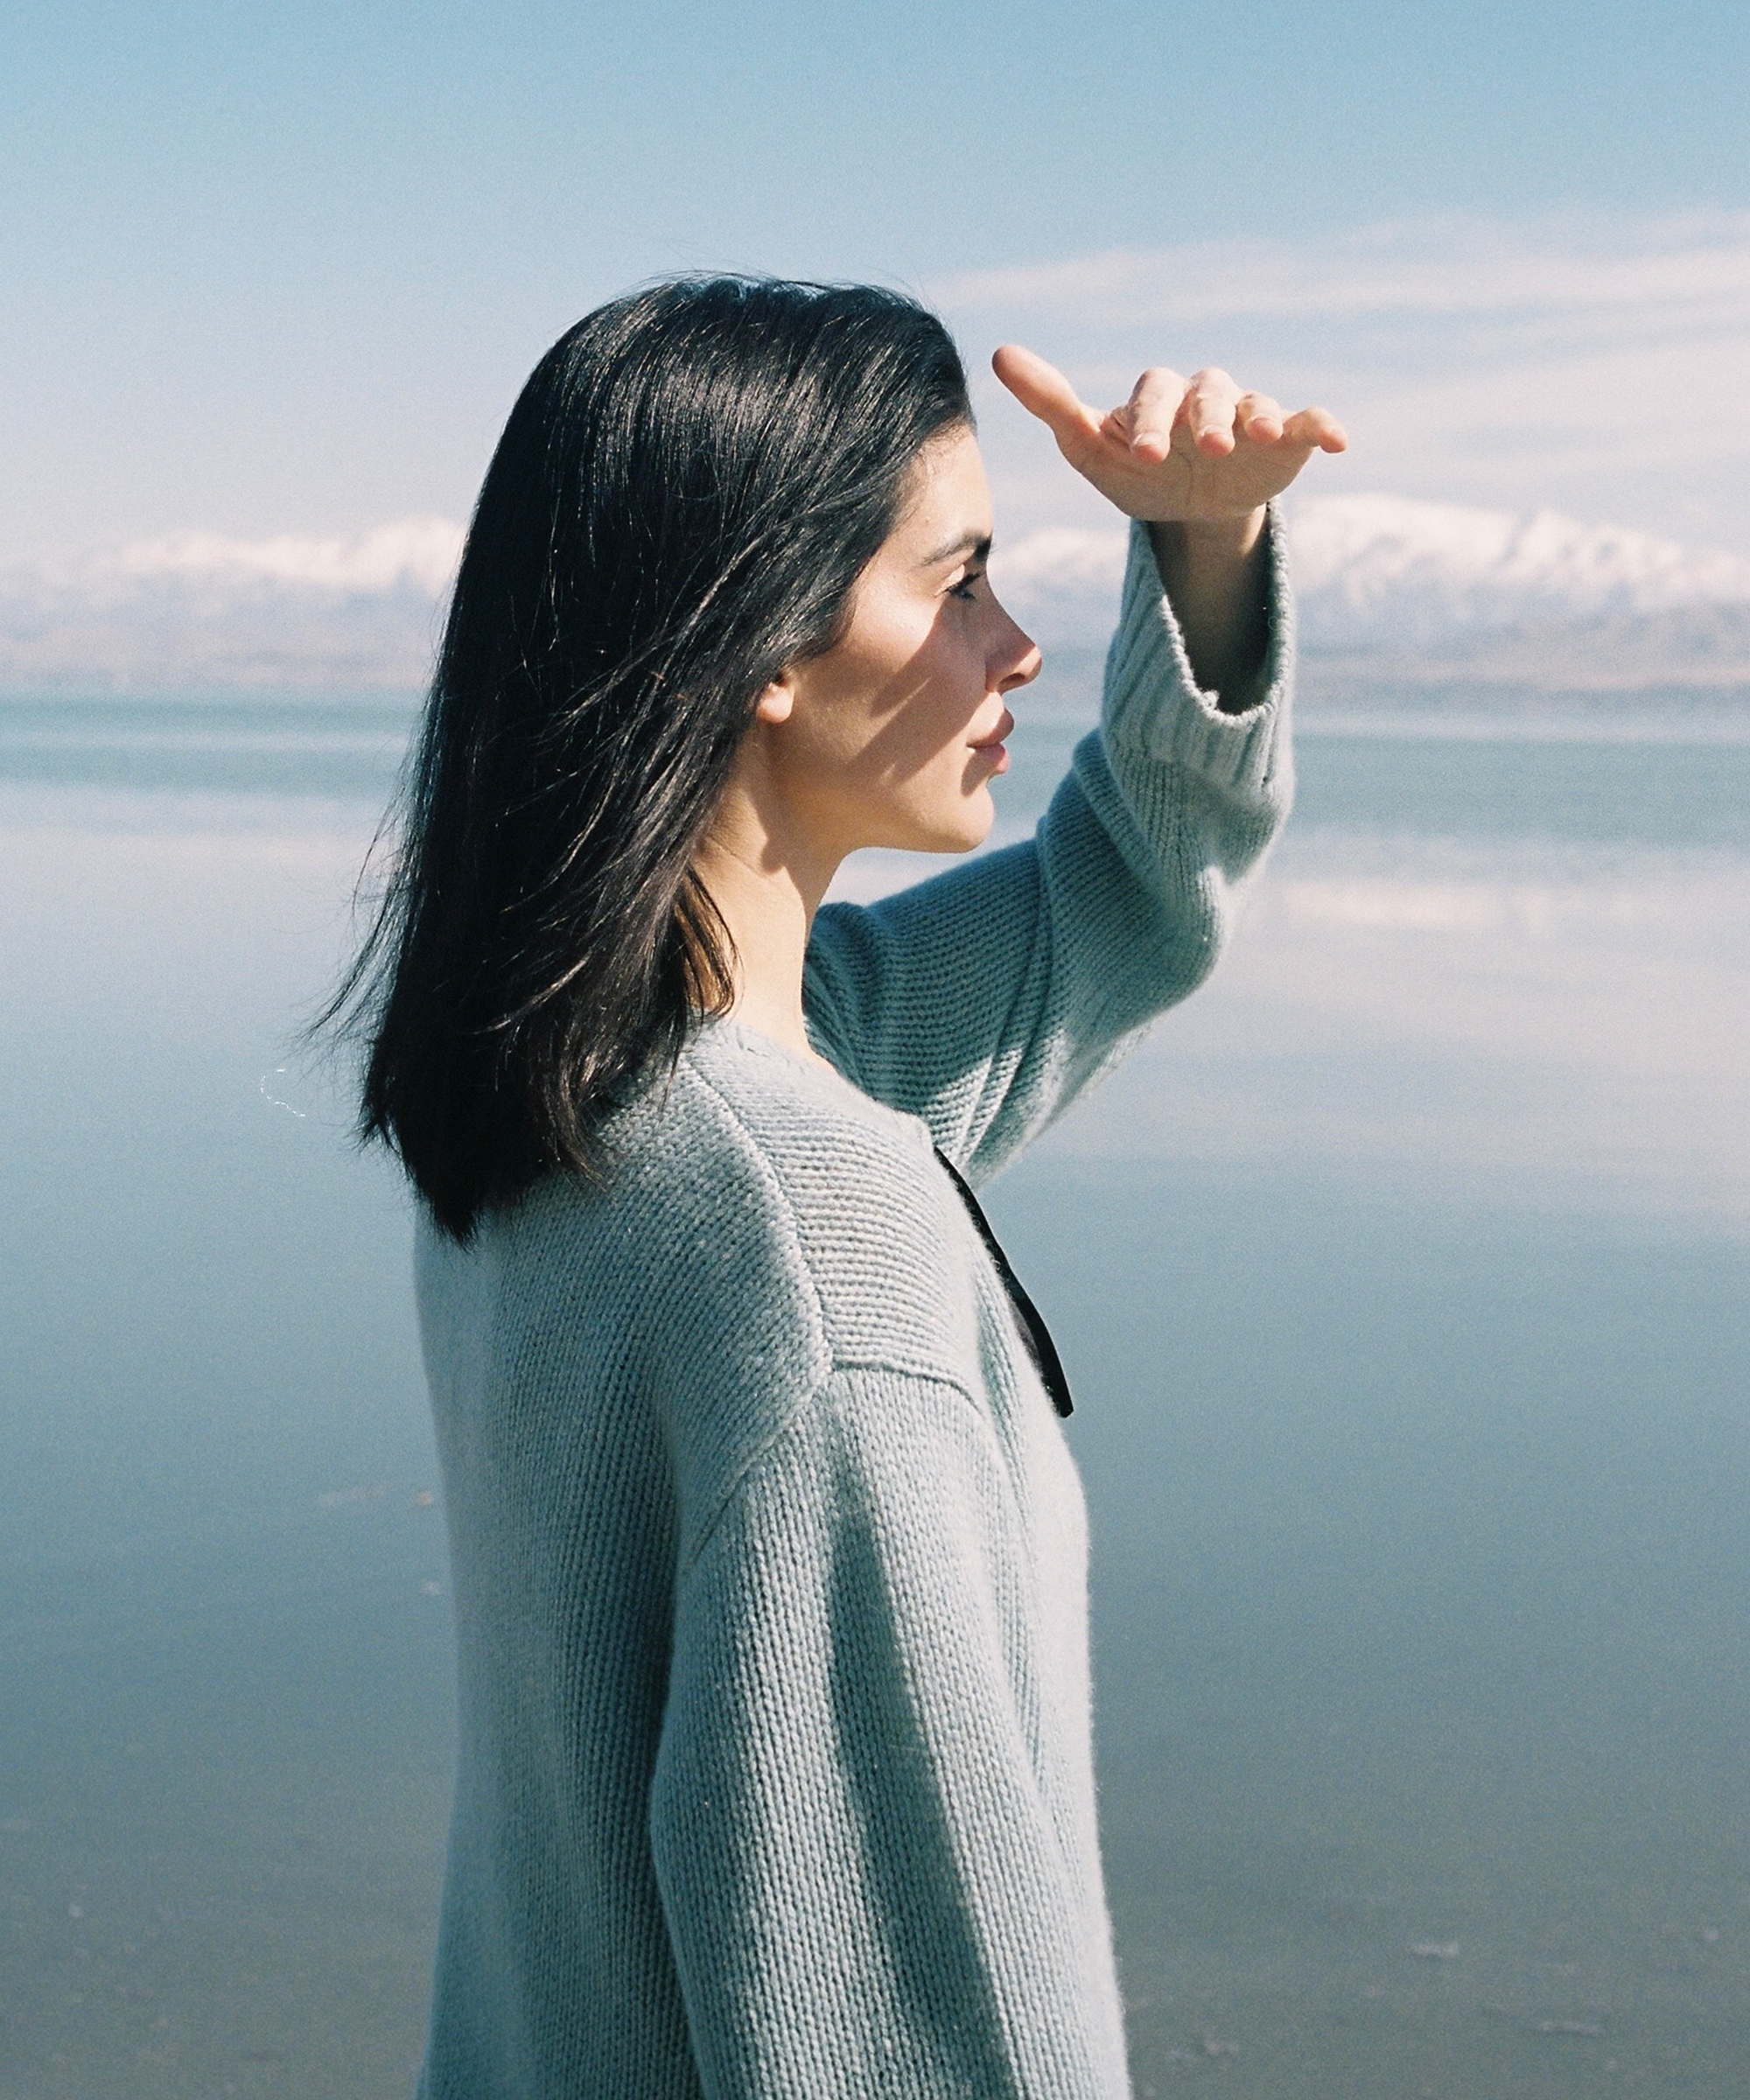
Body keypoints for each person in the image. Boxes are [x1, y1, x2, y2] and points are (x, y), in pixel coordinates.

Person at [336, 276, 1343, 2097]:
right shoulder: (812, 1255)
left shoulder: (567, 1088)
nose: (1014, 644)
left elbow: (1132, 886)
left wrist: (1206, 547)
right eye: (957, 584)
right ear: (767, 648)